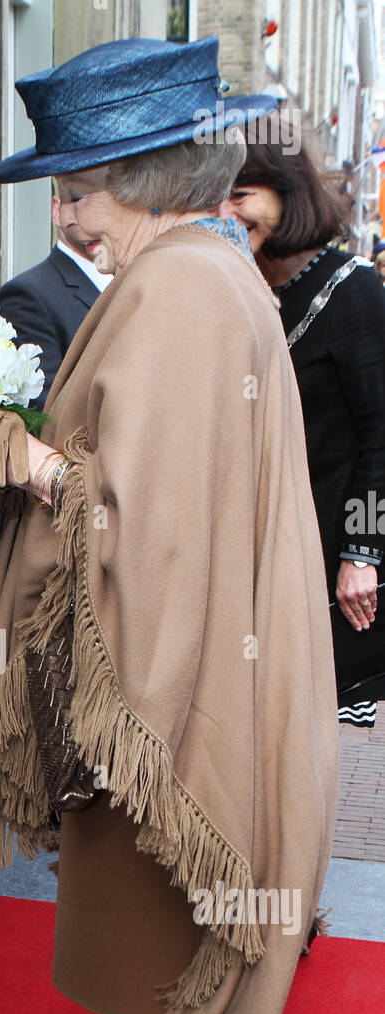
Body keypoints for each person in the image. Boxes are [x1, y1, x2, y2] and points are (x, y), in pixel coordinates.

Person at [0, 38, 338, 1014]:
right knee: (154, 910)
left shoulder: (176, 284)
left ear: (139, 176)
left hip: (154, 673)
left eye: (76, 186)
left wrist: (19, 457)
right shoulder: (208, 266)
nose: (68, 213)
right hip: (179, 653)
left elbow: (141, 516)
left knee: (145, 908)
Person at [220, 125, 385, 723]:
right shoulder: (244, 285)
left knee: (304, 733)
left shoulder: (354, 287)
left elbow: (380, 437)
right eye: (220, 197)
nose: (228, 212)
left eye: (242, 195)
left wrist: (363, 554)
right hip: (259, 546)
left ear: (287, 193)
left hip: (326, 555)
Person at [0, 190, 112, 410]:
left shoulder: (135, 281)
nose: (93, 215)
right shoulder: (27, 295)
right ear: (56, 210)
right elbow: (48, 410)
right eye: (78, 199)